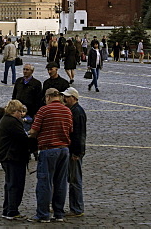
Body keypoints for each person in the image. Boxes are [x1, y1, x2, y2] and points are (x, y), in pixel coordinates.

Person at [28, 88, 73, 223]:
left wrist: (30, 134)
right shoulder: (67, 111)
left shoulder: (44, 110)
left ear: (48, 97)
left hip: (48, 149)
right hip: (64, 149)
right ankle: (59, 213)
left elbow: (34, 130)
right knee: (60, 183)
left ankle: (43, 214)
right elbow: (70, 129)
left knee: (44, 182)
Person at [0, 99, 32, 221]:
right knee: (15, 184)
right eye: (20, 111)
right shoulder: (12, 122)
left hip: (8, 156)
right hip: (13, 156)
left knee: (10, 184)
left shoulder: (7, 120)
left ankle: (8, 209)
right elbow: (23, 138)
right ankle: (12, 210)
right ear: (14, 111)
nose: (21, 113)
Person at [62, 87, 87, 218]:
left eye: (67, 96)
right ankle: (75, 207)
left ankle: (77, 208)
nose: (65, 99)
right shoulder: (72, 110)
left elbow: (79, 135)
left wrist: (77, 153)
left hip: (75, 152)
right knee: (72, 179)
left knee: (75, 179)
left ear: (74, 98)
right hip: (71, 150)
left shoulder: (77, 112)